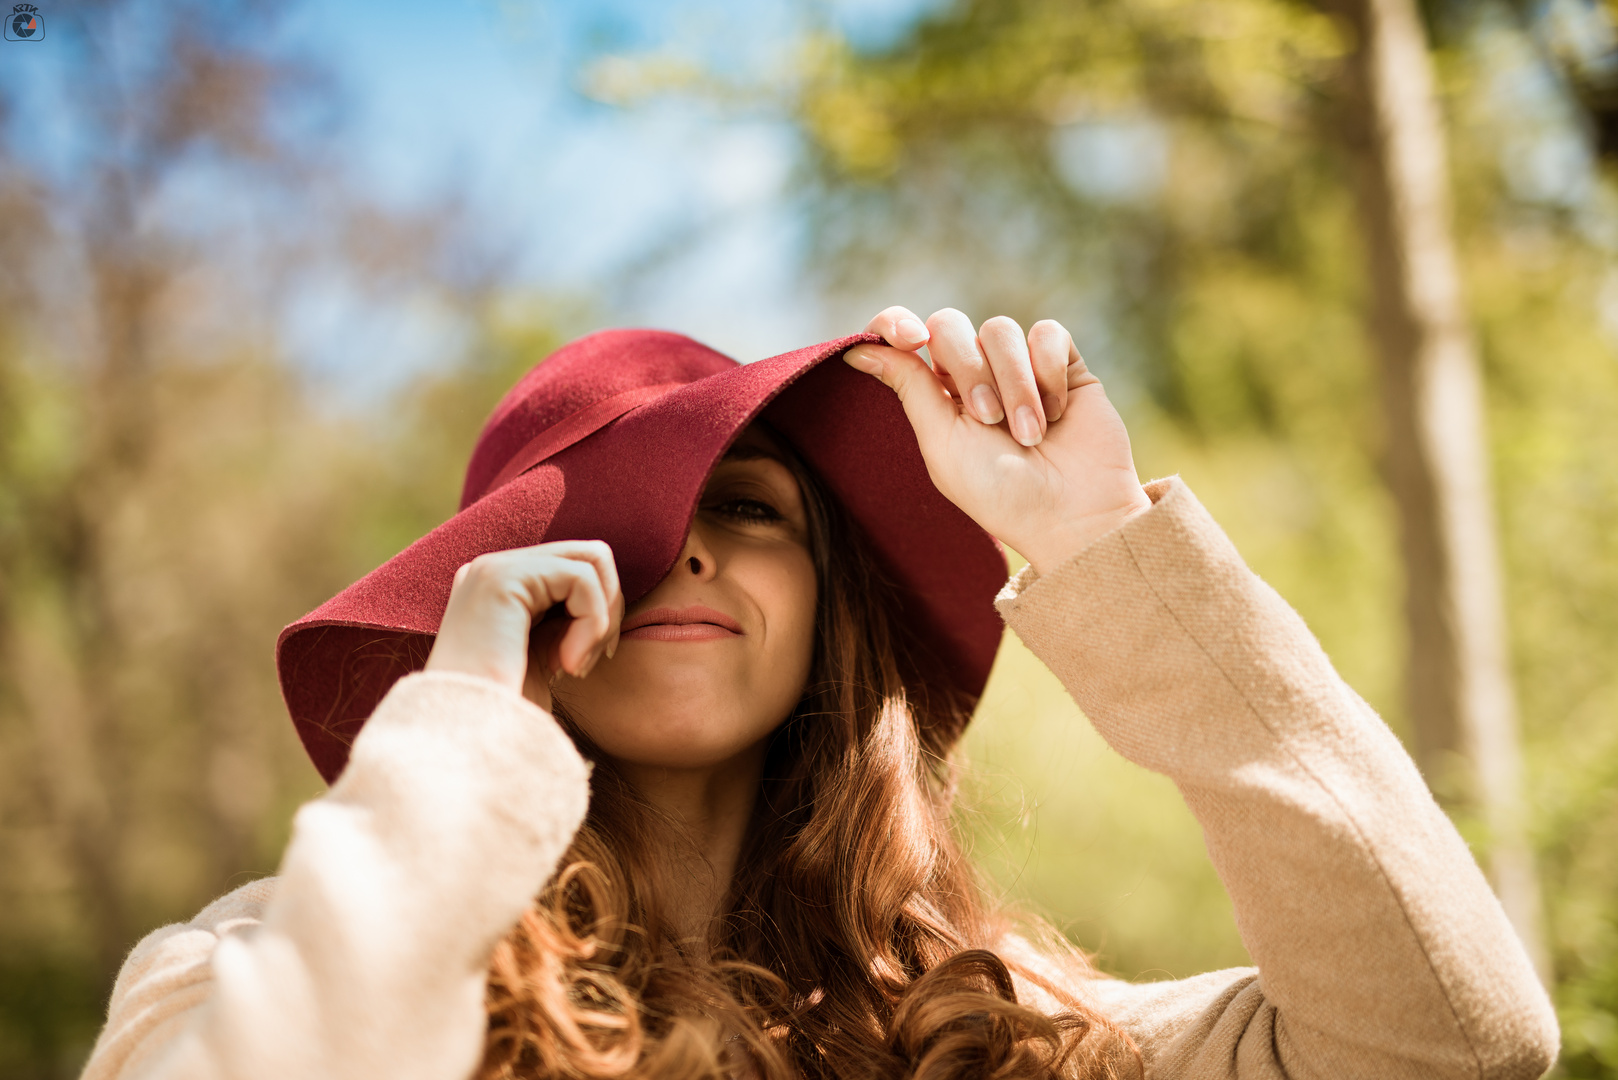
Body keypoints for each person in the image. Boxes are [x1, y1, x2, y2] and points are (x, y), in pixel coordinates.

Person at [80, 307, 1558, 1080]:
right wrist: (460, 739)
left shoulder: (1004, 1035)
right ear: (511, 599)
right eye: (621, 522)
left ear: (824, 618)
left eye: (755, 510)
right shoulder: (260, 962)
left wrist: (1100, 547)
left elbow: (1449, 1046)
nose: (690, 547)